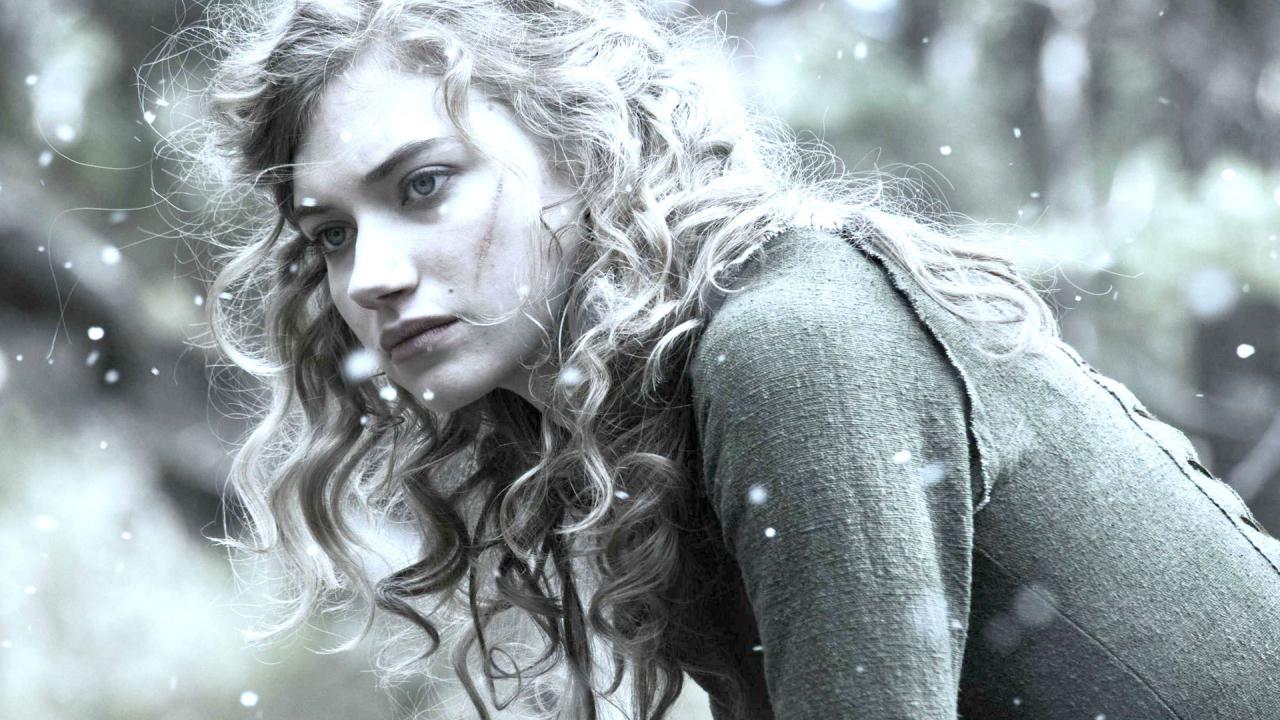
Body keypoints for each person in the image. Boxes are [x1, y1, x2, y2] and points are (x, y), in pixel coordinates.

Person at [171, 0, 1280, 718]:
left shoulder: (791, 345)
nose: (368, 278)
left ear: (581, 146)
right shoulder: (657, 409)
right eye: (331, 236)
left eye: (423, 186)